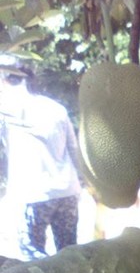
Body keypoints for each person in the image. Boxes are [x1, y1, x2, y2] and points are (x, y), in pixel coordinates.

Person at [0, 54, 81, 259]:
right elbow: (74, 150)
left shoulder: (10, 111)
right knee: (69, 255)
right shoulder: (56, 108)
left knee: (32, 255)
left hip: (34, 196)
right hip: (67, 192)